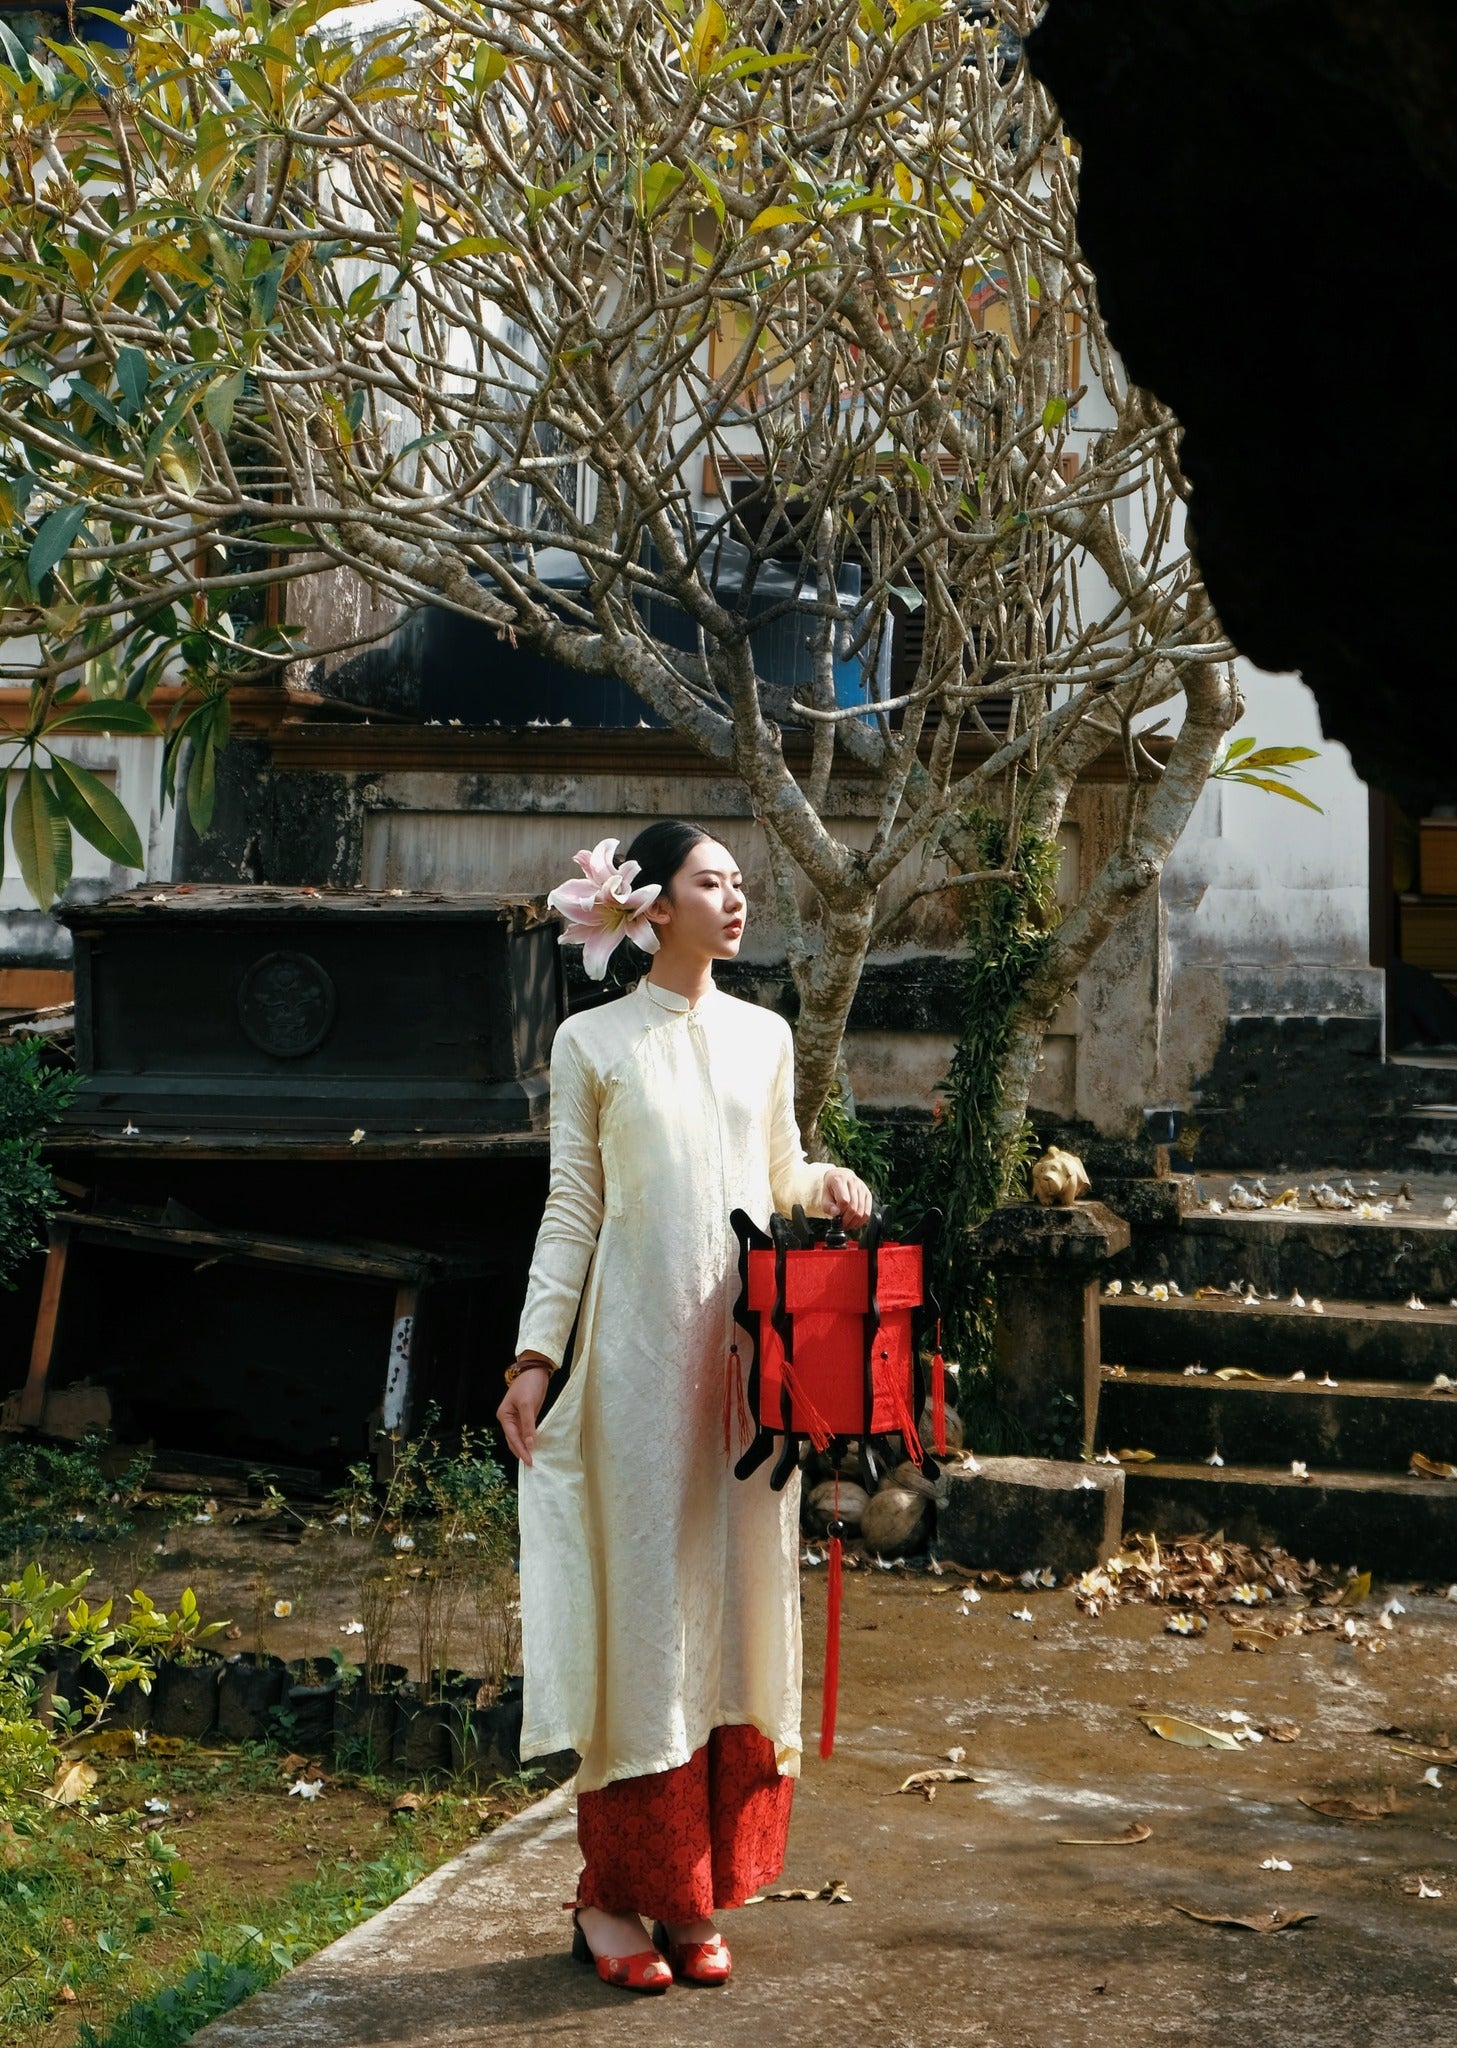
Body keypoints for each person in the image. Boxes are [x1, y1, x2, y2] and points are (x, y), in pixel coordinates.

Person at [497, 821, 873, 1992]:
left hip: (745, 1381)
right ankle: (612, 1894)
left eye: (740, 883)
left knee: (738, 1605)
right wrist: (532, 1355)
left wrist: (828, 1183)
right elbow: (572, 1209)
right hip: (634, 1375)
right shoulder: (588, 1042)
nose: (735, 898)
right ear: (648, 905)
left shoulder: (763, 1035)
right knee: (645, 1611)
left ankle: (692, 1891)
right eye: (712, 880)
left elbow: (777, 1173)